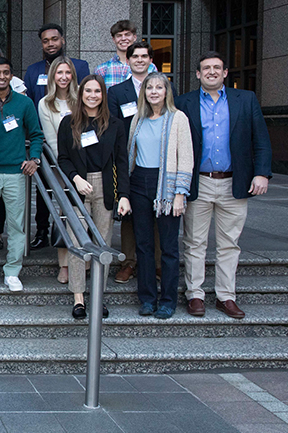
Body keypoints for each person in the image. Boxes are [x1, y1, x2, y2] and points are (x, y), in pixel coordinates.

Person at [177, 52, 272, 319]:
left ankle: (225, 296)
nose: (211, 72)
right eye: (206, 68)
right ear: (197, 74)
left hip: (234, 181)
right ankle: (195, 294)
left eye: (216, 68)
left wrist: (262, 173)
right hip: (200, 183)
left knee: (230, 243)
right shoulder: (185, 102)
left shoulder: (246, 100)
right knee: (194, 242)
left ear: (225, 73)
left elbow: (261, 140)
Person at [57, 75, 131, 319]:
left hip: (105, 186)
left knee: (103, 244)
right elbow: (63, 158)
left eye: (97, 91)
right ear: (81, 94)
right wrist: (75, 179)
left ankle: (98, 296)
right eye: (87, 90)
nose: (92, 95)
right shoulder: (68, 123)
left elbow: (121, 161)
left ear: (103, 95)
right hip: (78, 185)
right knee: (77, 244)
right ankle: (78, 298)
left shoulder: (116, 125)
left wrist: (124, 195)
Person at [127, 72, 193, 319]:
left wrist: (180, 193)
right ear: (144, 92)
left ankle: (167, 300)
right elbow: (131, 155)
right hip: (139, 183)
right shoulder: (138, 119)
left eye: (159, 87)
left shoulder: (178, 118)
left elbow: (186, 157)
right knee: (143, 245)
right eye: (149, 88)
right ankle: (147, 299)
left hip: (166, 185)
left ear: (167, 92)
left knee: (168, 248)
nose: (154, 91)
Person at [0, 57, 44, 293]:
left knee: (16, 226)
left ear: (12, 76)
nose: (2, 77)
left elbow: (36, 135)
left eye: (6, 72)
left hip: (16, 172)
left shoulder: (25, 104)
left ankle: (12, 271)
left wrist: (34, 159)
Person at [23, 23, 90, 250]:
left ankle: (71, 238)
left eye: (54, 39)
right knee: (44, 193)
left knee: (74, 196)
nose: (50, 44)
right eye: (45, 40)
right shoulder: (33, 71)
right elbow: (31, 105)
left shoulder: (81, 66)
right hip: (45, 142)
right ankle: (42, 230)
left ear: (62, 40)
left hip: (79, 151)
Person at [107, 42, 164, 284]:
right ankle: (129, 262)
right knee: (129, 215)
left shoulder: (163, 88)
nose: (139, 60)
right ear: (127, 61)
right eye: (135, 56)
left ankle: (157, 264)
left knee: (159, 214)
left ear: (150, 60)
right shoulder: (117, 92)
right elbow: (112, 125)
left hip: (158, 161)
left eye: (144, 56)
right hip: (128, 161)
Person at [37, 56, 78, 284]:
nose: (63, 77)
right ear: (53, 76)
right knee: (64, 218)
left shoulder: (82, 97)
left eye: (67, 72)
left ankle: (83, 264)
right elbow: (52, 141)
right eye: (59, 73)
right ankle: (64, 264)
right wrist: (67, 170)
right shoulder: (45, 103)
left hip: (87, 168)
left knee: (84, 218)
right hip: (60, 168)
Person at [93, 20, 157, 89]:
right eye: (119, 36)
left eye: (127, 35)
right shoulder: (102, 69)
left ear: (134, 37)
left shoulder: (150, 67)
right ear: (113, 39)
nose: (123, 38)